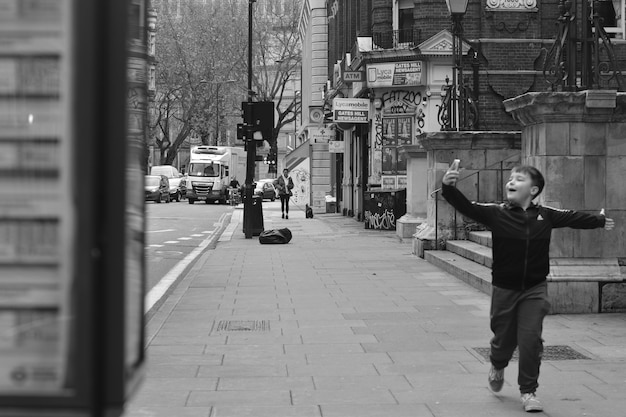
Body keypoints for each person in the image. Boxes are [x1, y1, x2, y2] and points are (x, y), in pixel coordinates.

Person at [441, 164, 614, 413]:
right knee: (503, 340)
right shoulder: (496, 214)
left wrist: (598, 220)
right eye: (510, 178)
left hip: (534, 288)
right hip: (504, 289)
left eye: (518, 179)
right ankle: (497, 364)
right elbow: (466, 207)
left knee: (531, 340)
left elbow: (573, 217)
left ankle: (528, 391)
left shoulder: (546, 215)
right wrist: (448, 186)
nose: (511, 181)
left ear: (533, 190)